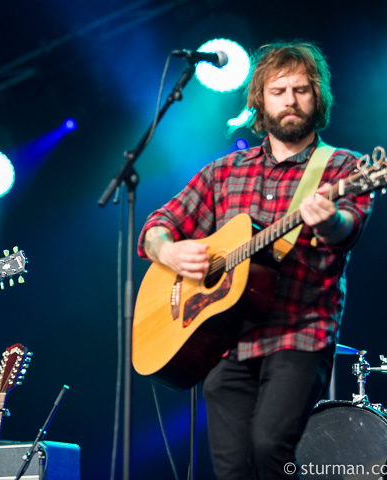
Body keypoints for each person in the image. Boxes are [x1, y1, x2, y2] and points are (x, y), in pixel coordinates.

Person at [137, 42, 373, 479]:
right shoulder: (224, 171)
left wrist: (329, 220)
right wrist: (167, 250)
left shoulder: (343, 166)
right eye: (278, 90)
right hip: (224, 339)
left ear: (316, 96)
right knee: (230, 469)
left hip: (299, 332)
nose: (290, 99)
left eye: (301, 90)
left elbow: (348, 229)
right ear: (260, 100)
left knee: (269, 449)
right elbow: (158, 224)